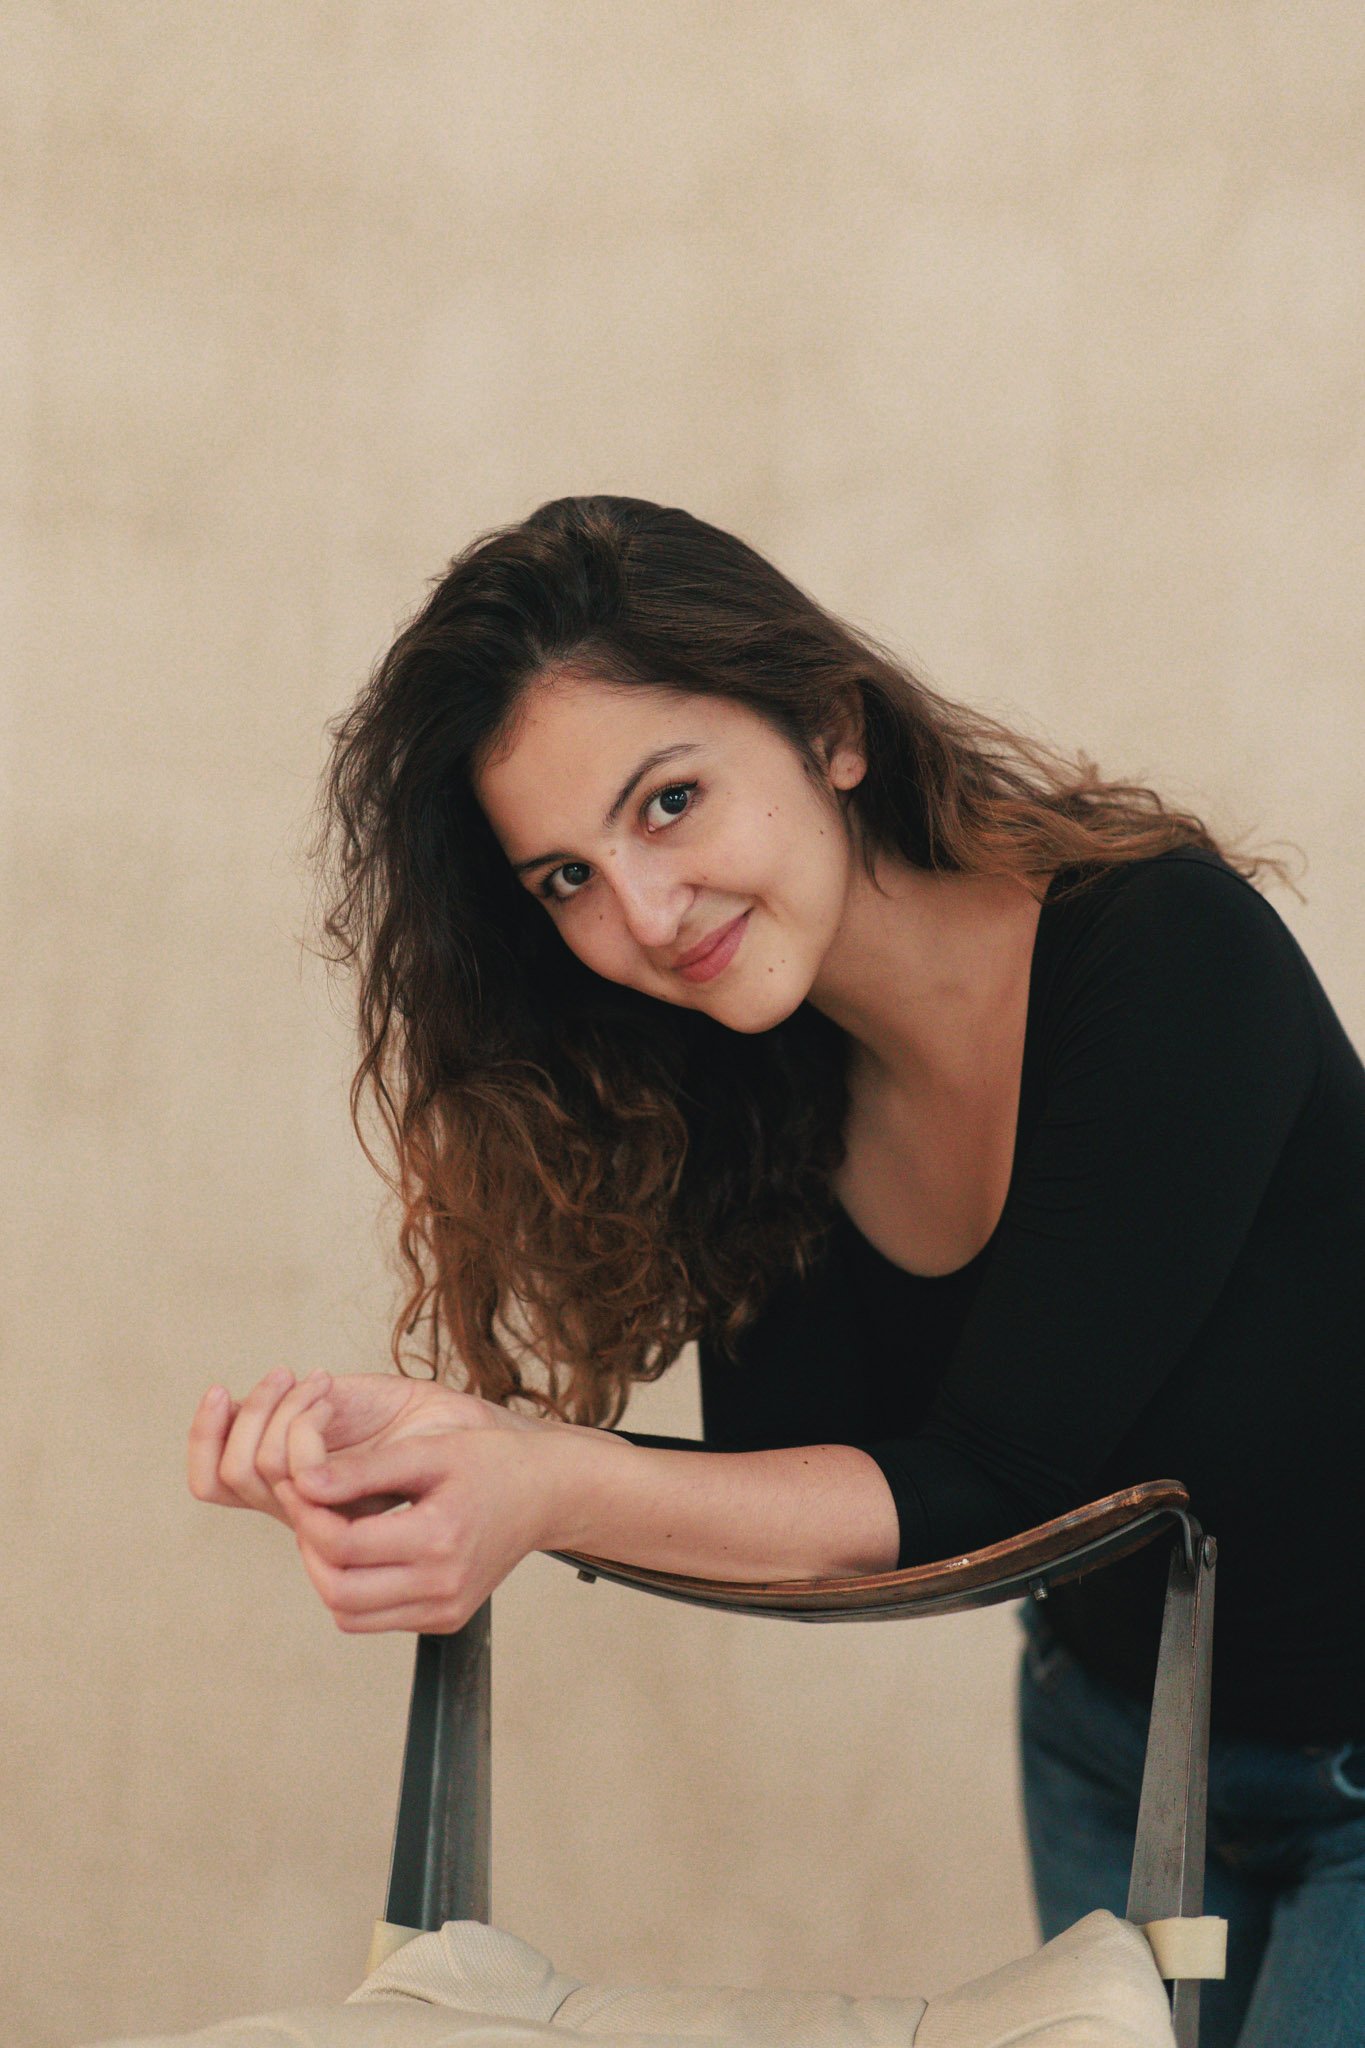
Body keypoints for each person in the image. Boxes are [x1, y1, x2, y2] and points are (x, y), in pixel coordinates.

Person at [187, 495, 1365, 2048]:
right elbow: (805, 1503)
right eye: (563, 880)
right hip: (1116, 1746)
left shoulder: (1162, 952)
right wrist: (433, 1458)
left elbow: (988, 1477)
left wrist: (547, 1482)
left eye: (668, 803)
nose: (639, 916)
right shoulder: (762, 1078)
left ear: (830, 729)